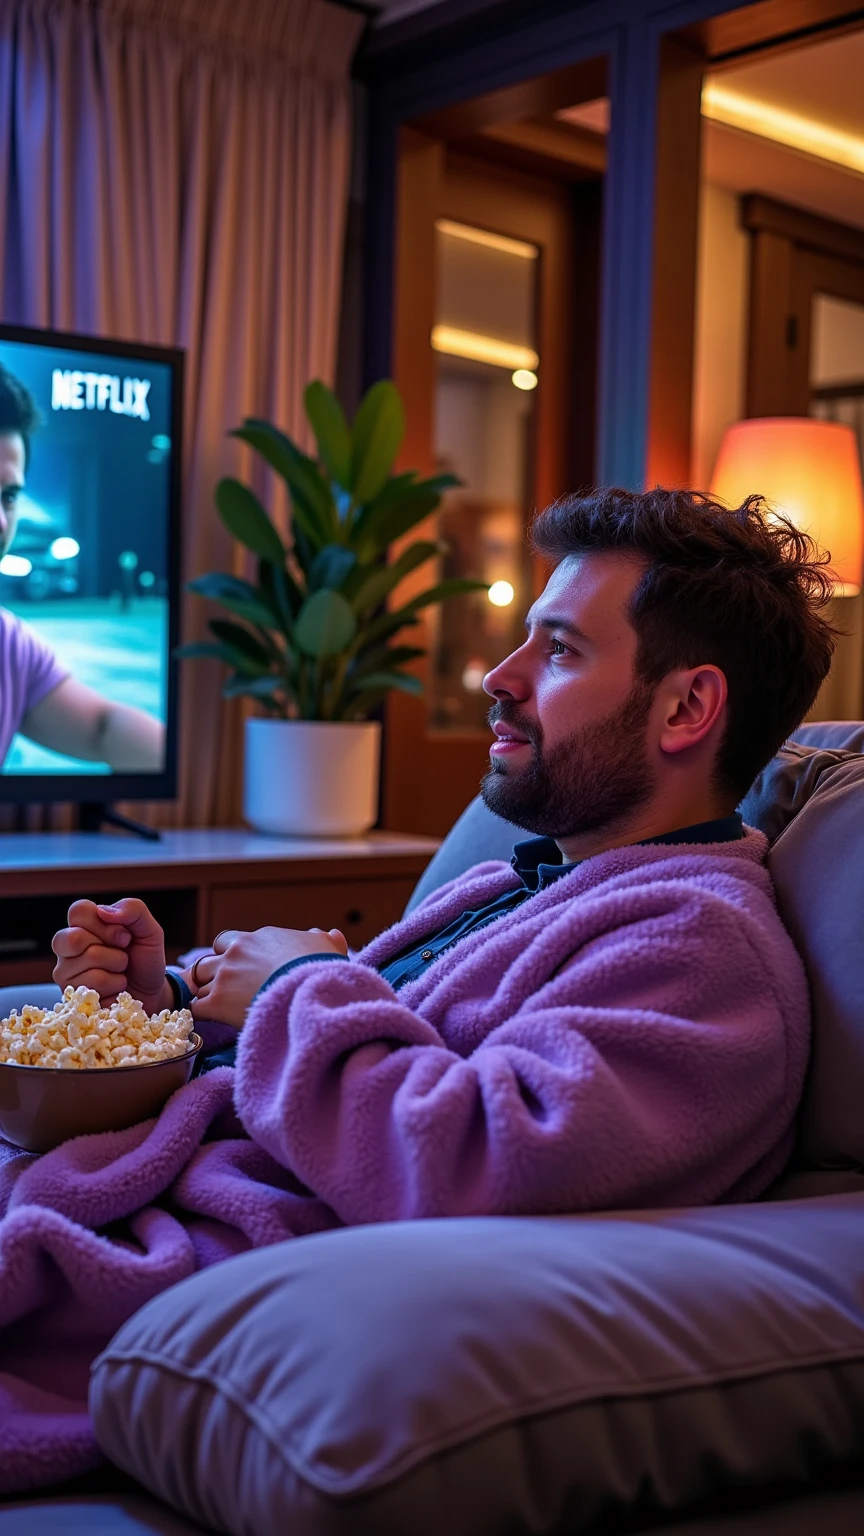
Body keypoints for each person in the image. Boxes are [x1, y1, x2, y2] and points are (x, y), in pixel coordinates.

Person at [52, 488, 838, 1219]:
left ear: (687, 708)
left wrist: (293, 988)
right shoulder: (518, 887)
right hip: (151, 1186)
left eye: (560, 651)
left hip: (212, 1253)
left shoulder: (699, 950)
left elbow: (477, 1161)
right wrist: (160, 1014)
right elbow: (369, 1035)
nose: (499, 676)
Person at [0, 361, 164, 770]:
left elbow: (102, 729)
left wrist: (184, 758)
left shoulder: (10, 648)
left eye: (8, 496)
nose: (2, 523)